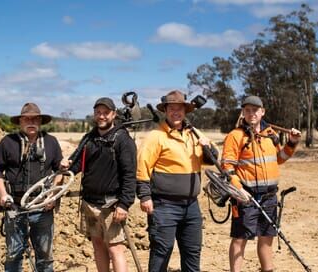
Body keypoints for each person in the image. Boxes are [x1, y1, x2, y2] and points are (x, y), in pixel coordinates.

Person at [136, 90, 219, 272]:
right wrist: (144, 196)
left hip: (191, 206)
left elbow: (211, 158)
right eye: (172, 108)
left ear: (185, 111)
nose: (176, 112)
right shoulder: (156, 136)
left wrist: (207, 148)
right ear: (165, 110)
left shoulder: (194, 134)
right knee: (161, 251)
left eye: (179, 109)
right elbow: (142, 166)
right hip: (164, 206)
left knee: (192, 251)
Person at [221, 95, 301, 272]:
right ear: (243, 112)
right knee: (240, 238)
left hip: (269, 197)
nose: (251, 114)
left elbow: (279, 159)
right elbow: (227, 167)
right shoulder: (235, 136)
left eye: (255, 110)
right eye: (247, 110)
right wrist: (240, 190)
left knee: (266, 238)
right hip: (245, 198)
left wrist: (292, 143)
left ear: (262, 112)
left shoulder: (270, 134)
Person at [64, 97, 137, 272]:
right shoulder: (89, 138)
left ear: (114, 114)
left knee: (115, 248)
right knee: (97, 244)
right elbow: (77, 164)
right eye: (98, 112)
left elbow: (129, 175)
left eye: (106, 113)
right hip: (89, 203)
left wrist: (124, 204)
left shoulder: (123, 140)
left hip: (111, 205)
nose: (101, 116)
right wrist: (66, 166)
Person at [0, 102, 63, 272]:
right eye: (27, 119)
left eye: (35, 119)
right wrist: (3, 195)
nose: (31, 122)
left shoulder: (51, 142)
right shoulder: (7, 142)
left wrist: (52, 196)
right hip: (15, 207)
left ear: (40, 121)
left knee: (45, 255)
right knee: (14, 253)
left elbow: (60, 171)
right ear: (20, 121)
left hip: (43, 208)